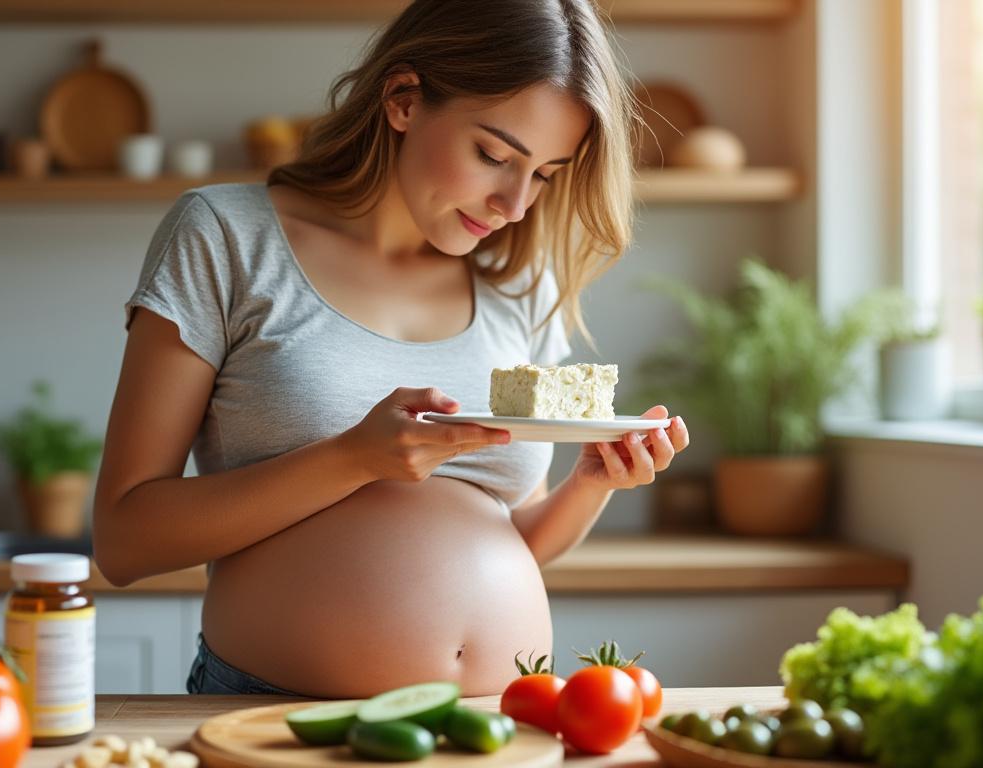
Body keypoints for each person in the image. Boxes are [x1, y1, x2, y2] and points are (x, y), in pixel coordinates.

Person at [93, 0, 691, 698]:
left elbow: (513, 537)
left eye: (546, 174)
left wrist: (591, 483)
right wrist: (351, 459)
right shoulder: (226, 238)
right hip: (275, 719)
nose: (515, 205)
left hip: (499, 719)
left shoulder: (520, 280)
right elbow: (124, 541)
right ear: (404, 100)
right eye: (494, 156)